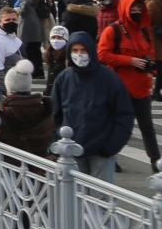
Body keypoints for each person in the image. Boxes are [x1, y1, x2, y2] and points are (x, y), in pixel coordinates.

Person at [49, 32, 137, 182]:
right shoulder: (64, 78)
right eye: (75, 51)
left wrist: (112, 146)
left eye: (83, 50)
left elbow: (124, 114)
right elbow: (53, 114)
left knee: (101, 198)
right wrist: (55, 142)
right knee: (74, 195)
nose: (79, 55)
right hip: (72, 149)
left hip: (100, 149)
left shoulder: (109, 78)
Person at [97, 0, 162, 167]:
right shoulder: (113, 31)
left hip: (142, 87)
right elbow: (103, 54)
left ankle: (156, 161)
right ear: (125, 10)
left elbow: (151, 53)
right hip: (121, 87)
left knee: (147, 127)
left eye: (139, 10)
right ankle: (111, 155)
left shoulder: (144, 30)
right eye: (133, 10)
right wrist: (130, 61)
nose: (137, 13)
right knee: (118, 124)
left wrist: (152, 70)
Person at [0, 59, 56, 156]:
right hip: (39, 165)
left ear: (9, 89)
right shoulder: (46, 110)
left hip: (10, 164)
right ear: (29, 87)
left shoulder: (4, 114)